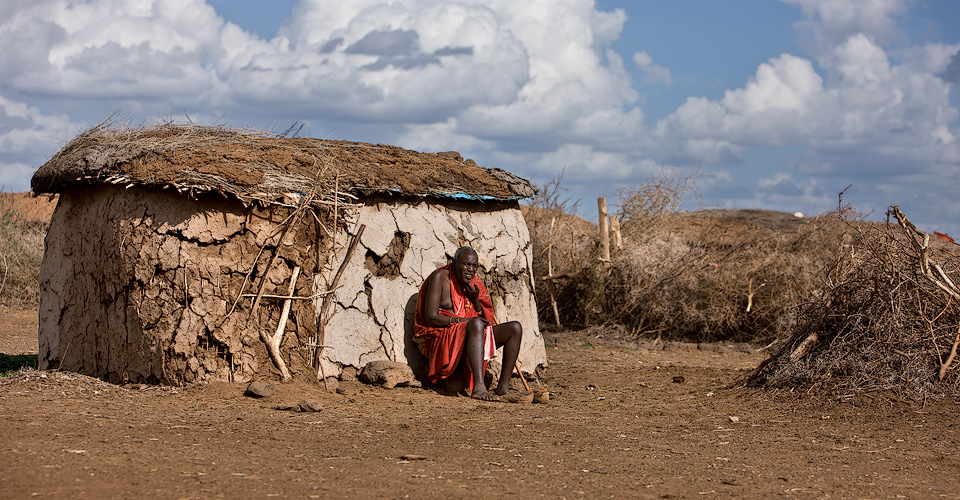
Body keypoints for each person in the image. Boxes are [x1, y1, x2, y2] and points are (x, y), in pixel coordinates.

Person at [413, 246, 528, 402]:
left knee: (515, 328)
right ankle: (479, 387)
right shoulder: (440, 277)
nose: (471, 269)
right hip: (442, 337)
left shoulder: (474, 284)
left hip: (471, 334)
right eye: (466, 264)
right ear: (454, 263)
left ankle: (503, 388)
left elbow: (483, 320)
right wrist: (462, 321)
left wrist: (475, 300)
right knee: (474, 324)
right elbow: (431, 318)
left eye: (474, 266)